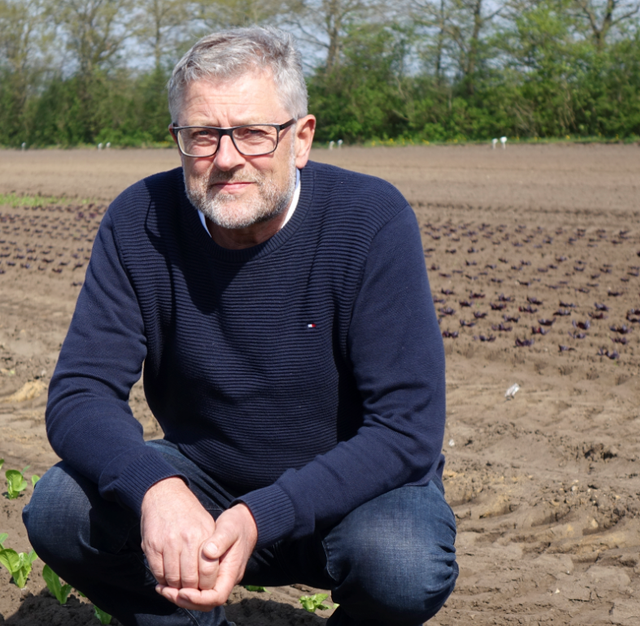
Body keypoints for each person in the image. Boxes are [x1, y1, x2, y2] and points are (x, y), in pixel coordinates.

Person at [23, 26, 458, 626]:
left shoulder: (371, 220)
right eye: (203, 135)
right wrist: (157, 490)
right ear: (177, 139)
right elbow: (80, 393)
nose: (226, 159)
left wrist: (265, 515)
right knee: (59, 509)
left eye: (254, 133)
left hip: (350, 500)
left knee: (402, 562)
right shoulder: (138, 220)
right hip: (204, 488)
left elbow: (408, 430)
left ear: (300, 138)